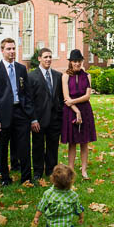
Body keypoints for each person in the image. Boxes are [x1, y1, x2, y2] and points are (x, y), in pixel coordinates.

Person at [0, 38, 37, 186]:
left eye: (14, 48)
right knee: (2, 147)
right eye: (8, 49)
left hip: (21, 112)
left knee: (24, 146)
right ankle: (5, 177)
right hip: (3, 114)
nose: (12, 51)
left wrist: (31, 115)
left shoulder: (21, 69)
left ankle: (26, 177)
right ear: (2, 50)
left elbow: (27, 94)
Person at [28, 48, 64, 179]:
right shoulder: (31, 76)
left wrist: (60, 114)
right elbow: (29, 100)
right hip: (38, 119)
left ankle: (51, 170)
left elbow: (60, 97)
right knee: (37, 146)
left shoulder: (58, 76)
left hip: (54, 119)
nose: (48, 59)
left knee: (53, 146)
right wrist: (33, 119)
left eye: (50, 57)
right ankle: (38, 172)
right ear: (39, 58)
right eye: (45, 57)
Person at [61, 49, 96, 180]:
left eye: (79, 61)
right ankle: (70, 170)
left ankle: (84, 170)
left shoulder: (87, 76)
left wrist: (75, 103)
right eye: (74, 61)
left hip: (85, 110)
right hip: (71, 111)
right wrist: (76, 111)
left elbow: (87, 96)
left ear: (82, 62)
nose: (76, 64)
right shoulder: (65, 76)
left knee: (84, 141)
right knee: (72, 142)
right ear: (70, 62)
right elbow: (66, 97)